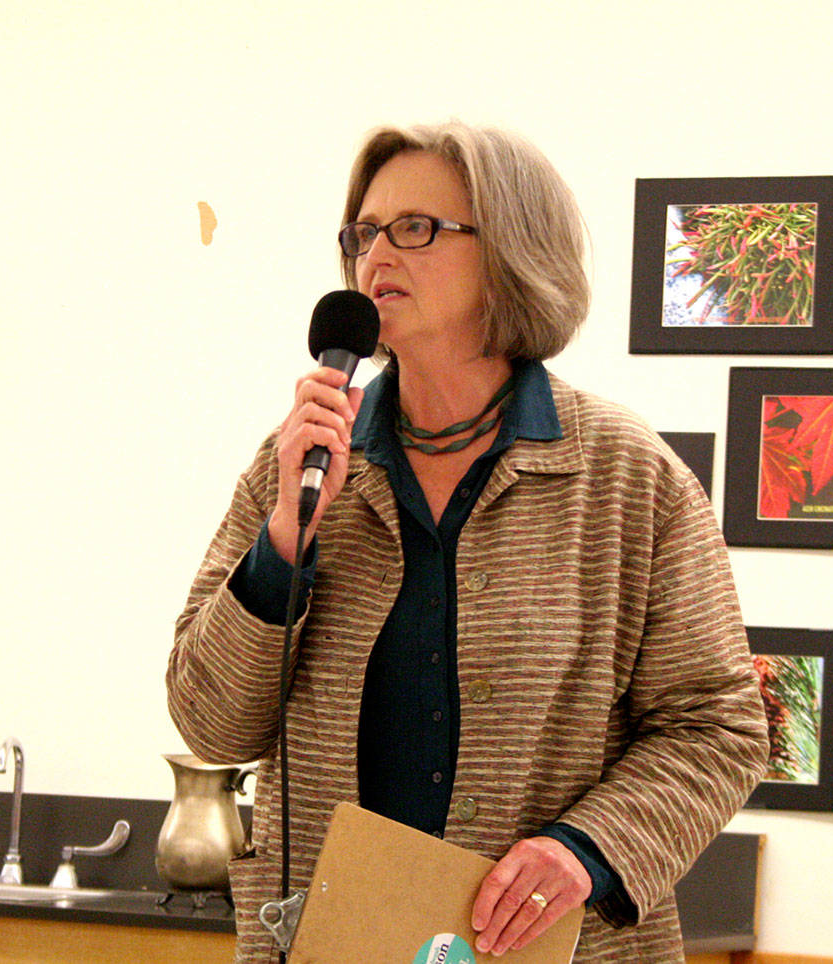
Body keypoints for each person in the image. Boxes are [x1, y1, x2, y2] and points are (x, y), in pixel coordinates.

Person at [167, 120, 769, 962]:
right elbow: (211, 725)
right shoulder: (299, 460)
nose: (377, 255)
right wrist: (282, 545)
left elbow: (720, 727)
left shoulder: (630, 478)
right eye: (363, 233)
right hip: (326, 941)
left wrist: (585, 852)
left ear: (512, 252)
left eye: (416, 229)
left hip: (552, 947)